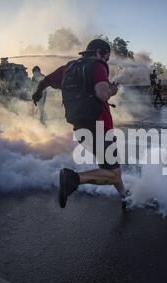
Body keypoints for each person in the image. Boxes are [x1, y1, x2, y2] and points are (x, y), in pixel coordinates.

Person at [32, 39, 128, 211]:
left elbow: (44, 81)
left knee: (110, 170)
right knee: (113, 173)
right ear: (99, 52)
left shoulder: (69, 68)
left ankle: (125, 196)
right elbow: (102, 94)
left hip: (81, 127)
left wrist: (37, 94)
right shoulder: (98, 65)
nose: (106, 60)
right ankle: (73, 179)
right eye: (106, 56)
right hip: (99, 128)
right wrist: (112, 91)